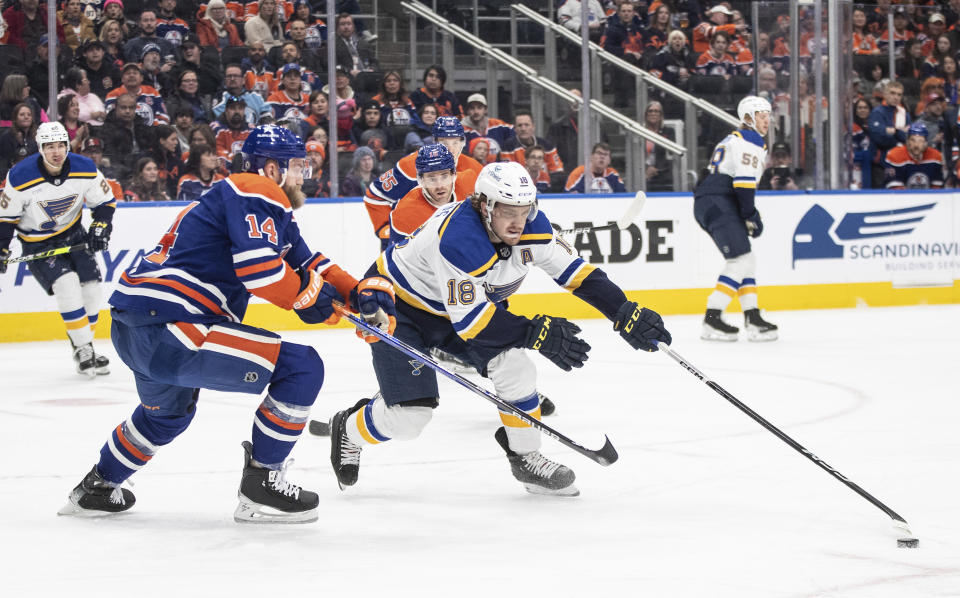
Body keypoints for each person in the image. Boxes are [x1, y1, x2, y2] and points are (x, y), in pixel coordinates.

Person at [57, 124, 397, 522]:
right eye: (297, 166)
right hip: (175, 327)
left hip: (134, 326)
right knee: (301, 368)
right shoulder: (255, 189)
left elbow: (307, 263)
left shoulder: (235, 200)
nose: (304, 175)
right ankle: (262, 487)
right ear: (271, 170)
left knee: (164, 416)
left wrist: (357, 292)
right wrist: (308, 298)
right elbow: (261, 270)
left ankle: (96, 488)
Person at [329, 161, 671, 496]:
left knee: (516, 367)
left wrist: (623, 310)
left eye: (524, 210)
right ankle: (349, 427)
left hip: (457, 308)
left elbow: (578, 274)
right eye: (508, 211)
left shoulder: (533, 227)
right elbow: (473, 324)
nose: (518, 222)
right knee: (409, 419)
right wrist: (533, 332)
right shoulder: (459, 239)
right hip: (401, 308)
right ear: (483, 205)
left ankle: (525, 458)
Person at [0, 122, 116, 376]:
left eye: (61, 145)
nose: (56, 152)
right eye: (49, 146)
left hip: (73, 234)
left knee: (93, 291)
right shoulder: (20, 176)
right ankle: (85, 348)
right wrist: (1, 246)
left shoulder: (84, 168)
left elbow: (105, 202)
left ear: (67, 145)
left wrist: (100, 224)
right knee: (67, 284)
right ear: (40, 148)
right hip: (37, 242)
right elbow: (6, 217)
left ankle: (83, 346)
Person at [693, 96, 778, 342]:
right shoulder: (750, 139)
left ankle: (752, 315)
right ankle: (712, 317)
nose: (767, 120)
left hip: (714, 199)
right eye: (761, 115)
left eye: (768, 115)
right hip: (719, 200)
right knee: (739, 260)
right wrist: (750, 213)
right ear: (748, 117)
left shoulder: (734, 138)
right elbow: (743, 183)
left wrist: (746, 212)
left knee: (746, 258)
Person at [364, 117, 483, 248]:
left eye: (455, 142)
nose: (450, 149)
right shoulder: (410, 166)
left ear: (462, 143)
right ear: (435, 141)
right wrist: (386, 230)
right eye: (444, 143)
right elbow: (375, 195)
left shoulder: (474, 169)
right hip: (412, 239)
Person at [884, 122, 944, 189]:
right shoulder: (895, 155)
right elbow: (895, 190)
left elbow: (936, 189)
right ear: (907, 141)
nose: (916, 145)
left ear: (926, 143)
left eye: (920, 141)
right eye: (913, 140)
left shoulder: (935, 156)